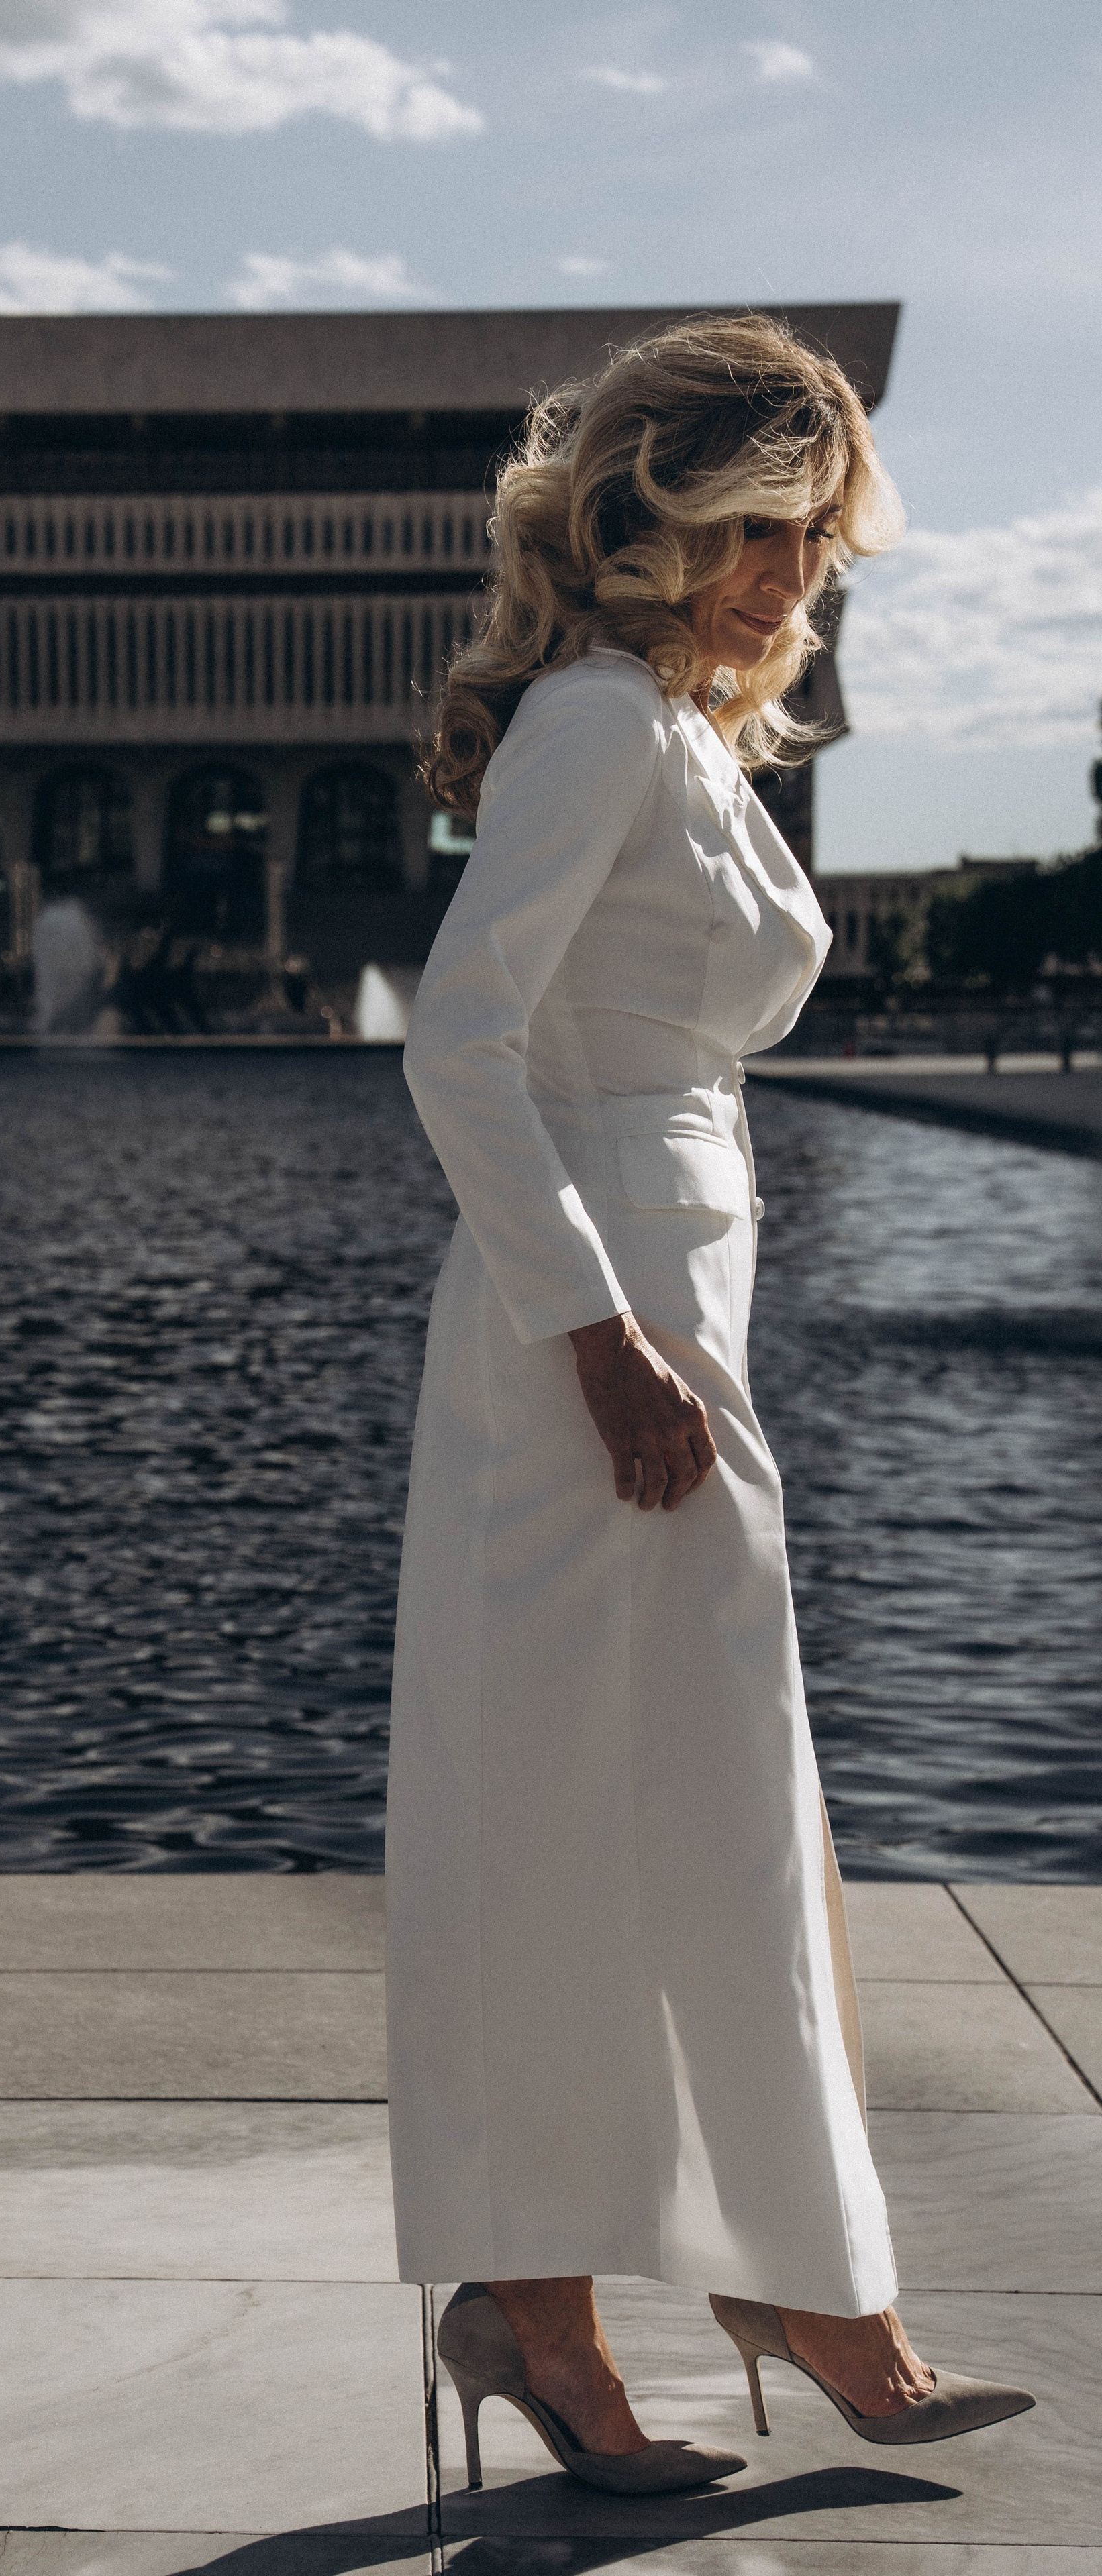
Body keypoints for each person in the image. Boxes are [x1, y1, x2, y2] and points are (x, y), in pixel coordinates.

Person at [385, 314, 1034, 2496]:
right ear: (648, 514)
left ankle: (717, 2283)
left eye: (814, 543)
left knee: (697, 1809)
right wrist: (600, 1338)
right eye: (759, 530)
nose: (787, 580)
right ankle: (630, 2306)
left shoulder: (665, 730)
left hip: (665, 1308)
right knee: (605, 1816)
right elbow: (459, 1041)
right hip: (601, 1337)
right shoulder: (593, 722)